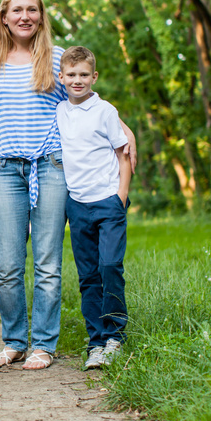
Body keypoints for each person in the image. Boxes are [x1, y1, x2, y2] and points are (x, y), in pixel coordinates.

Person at [0, 0, 135, 371]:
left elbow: (87, 101)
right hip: (5, 170)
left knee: (47, 263)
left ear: (41, 17)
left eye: (32, 9)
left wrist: (125, 133)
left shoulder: (57, 57)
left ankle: (43, 344)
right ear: (4, 17)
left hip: (51, 167)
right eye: (17, 10)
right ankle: (14, 342)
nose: (25, 16)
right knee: (7, 265)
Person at [54, 46, 131, 370]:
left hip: (108, 201)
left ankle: (115, 336)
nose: (78, 80)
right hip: (77, 204)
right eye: (71, 75)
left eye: (84, 74)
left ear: (94, 76)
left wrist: (121, 196)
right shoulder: (59, 110)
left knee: (110, 266)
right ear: (61, 77)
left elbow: (123, 154)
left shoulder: (106, 111)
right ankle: (96, 342)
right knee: (88, 276)